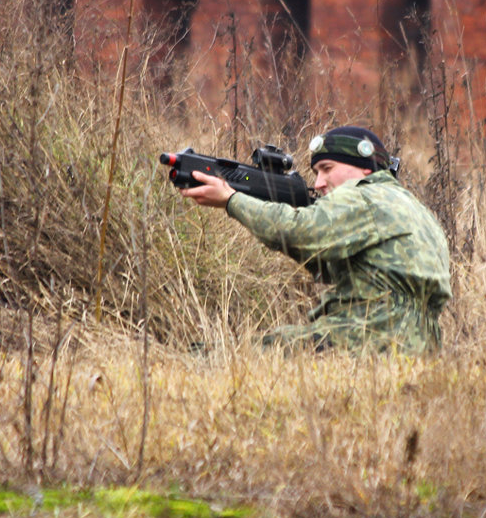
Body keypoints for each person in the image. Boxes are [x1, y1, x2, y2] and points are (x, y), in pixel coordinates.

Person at [179, 125, 451, 353]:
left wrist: (232, 200)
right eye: (316, 172)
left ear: (364, 169)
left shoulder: (363, 195)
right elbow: (329, 260)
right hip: (420, 342)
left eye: (327, 168)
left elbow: (299, 231)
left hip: (369, 333)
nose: (319, 183)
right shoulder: (412, 207)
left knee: (219, 355)